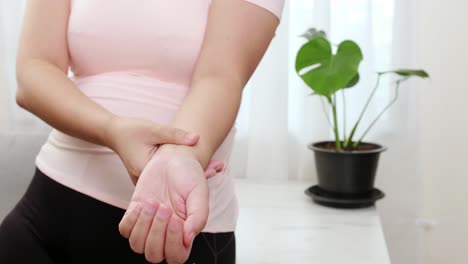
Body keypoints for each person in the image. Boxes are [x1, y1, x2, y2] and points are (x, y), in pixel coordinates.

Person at [0, 0, 284, 263]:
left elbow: (221, 76)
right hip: (45, 214)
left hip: (169, 231)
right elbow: (35, 69)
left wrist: (178, 155)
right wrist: (112, 129)